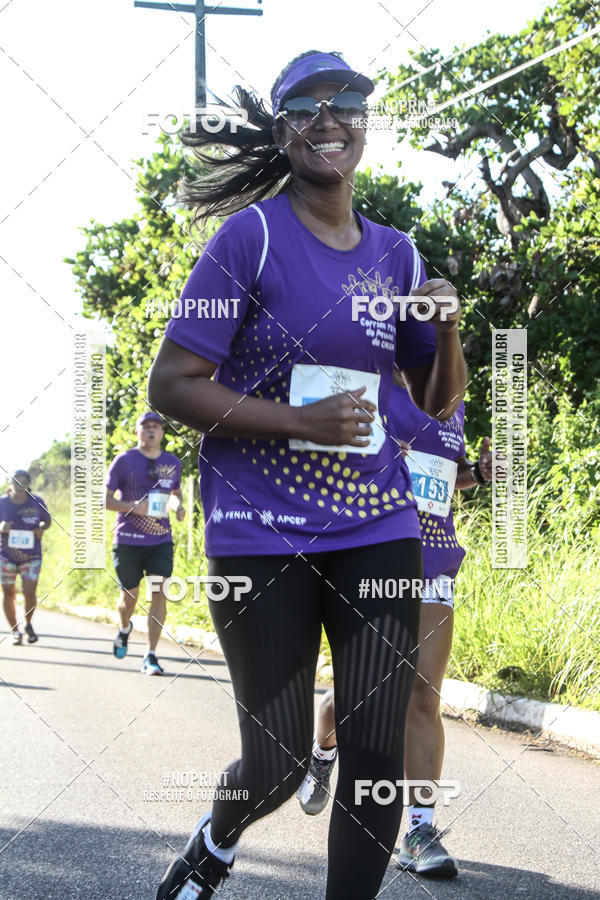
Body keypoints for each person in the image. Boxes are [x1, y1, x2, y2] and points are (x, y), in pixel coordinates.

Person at [149, 50, 466, 900]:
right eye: (306, 106)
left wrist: (447, 330)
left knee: (375, 751)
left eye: (347, 101)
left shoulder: (397, 255)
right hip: (260, 531)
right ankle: (216, 840)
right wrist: (298, 421)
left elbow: (435, 403)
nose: (329, 118)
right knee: (280, 761)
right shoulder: (249, 239)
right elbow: (171, 385)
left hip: (377, 523)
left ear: (366, 122)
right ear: (283, 129)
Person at [297, 370, 492, 879]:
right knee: (366, 688)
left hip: (434, 560)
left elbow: (447, 476)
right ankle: (323, 748)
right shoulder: (368, 379)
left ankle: (419, 831)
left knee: (423, 693)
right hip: (373, 554)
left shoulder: (451, 400)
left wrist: (478, 472)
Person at [105, 411, 185, 675]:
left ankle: (150, 654)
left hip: (160, 540)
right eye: (146, 426)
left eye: (156, 426)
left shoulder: (172, 462)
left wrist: (178, 506)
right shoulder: (124, 461)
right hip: (128, 540)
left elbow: (175, 492)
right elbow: (105, 500)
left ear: (162, 433)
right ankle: (124, 627)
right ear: (137, 432)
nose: (151, 430)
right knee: (129, 598)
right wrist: (132, 507)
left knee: (159, 592)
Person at [0, 470, 51, 645]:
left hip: (31, 556)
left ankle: (27, 623)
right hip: (6, 556)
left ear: (28, 484)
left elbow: (47, 521)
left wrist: (41, 528)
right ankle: (15, 631)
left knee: (29, 592)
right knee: (8, 593)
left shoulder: (37, 501)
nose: (20, 484)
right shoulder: (2, 503)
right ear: (10, 484)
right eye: (16, 481)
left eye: (24, 481)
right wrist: (1, 527)